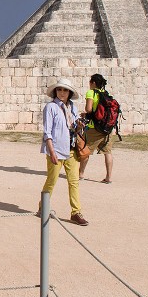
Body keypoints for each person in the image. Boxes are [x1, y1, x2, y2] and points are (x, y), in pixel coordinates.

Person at [40, 78, 88, 226]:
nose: (62, 93)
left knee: (74, 182)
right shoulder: (51, 108)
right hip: (56, 150)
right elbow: (47, 132)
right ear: (56, 91)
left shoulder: (72, 108)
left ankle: (76, 212)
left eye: (65, 90)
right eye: (60, 90)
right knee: (51, 181)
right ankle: (43, 206)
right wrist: (52, 152)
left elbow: (73, 129)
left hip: (71, 149)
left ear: (69, 92)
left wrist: (79, 126)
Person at [79, 73, 114, 184]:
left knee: (85, 150)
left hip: (94, 127)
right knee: (108, 152)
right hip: (107, 127)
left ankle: (81, 174)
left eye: (90, 81)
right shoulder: (106, 93)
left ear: (93, 83)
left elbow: (89, 109)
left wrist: (86, 113)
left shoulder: (91, 93)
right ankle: (108, 177)